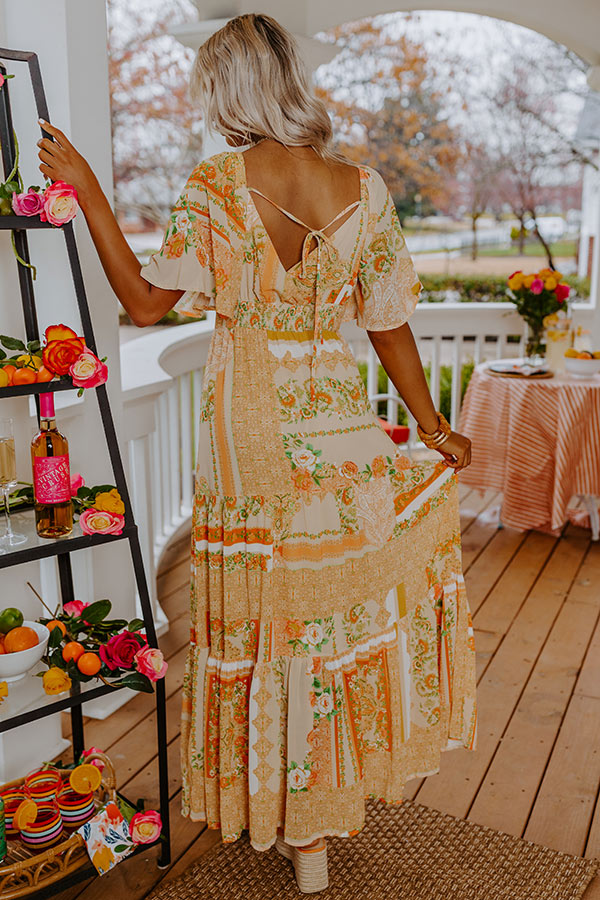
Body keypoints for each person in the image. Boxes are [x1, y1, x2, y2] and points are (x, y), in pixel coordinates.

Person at [37, 12, 477, 893]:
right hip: (342, 428)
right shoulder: (364, 187)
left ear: (231, 89)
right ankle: (314, 823)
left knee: (267, 621)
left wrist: (87, 192)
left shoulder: (215, 184)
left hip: (251, 432)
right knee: (330, 622)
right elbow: (389, 326)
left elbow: (145, 304)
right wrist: (432, 427)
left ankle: (296, 828)